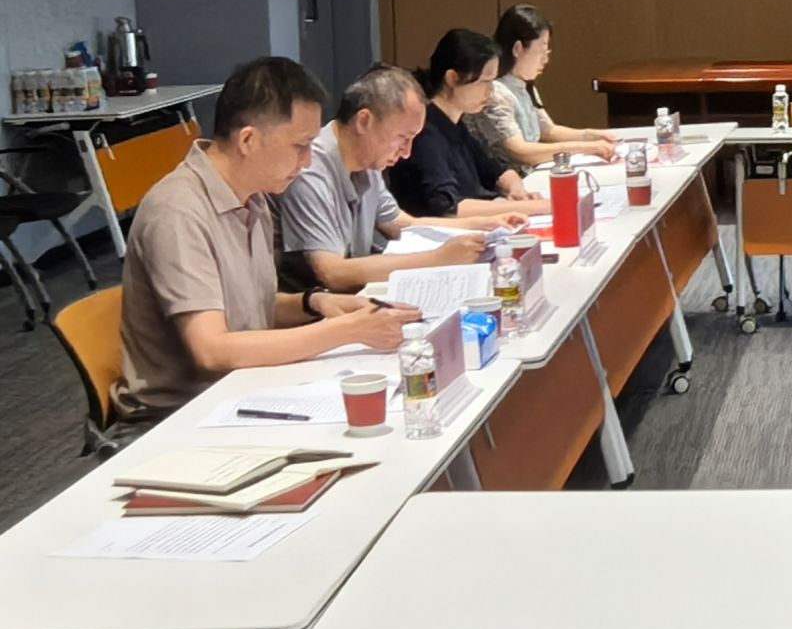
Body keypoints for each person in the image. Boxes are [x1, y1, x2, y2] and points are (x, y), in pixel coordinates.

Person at [113, 56, 421, 419]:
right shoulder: (178, 212)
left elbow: (250, 309)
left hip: (241, 388)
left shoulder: (253, 196)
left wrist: (315, 303)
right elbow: (212, 350)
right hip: (178, 414)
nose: (307, 162)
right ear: (248, 139)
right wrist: (348, 331)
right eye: (300, 146)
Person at [279, 64, 523, 291]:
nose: (406, 153)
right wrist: (437, 259)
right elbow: (332, 272)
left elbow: (401, 224)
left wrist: (482, 225)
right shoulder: (310, 170)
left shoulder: (367, 161)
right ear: (364, 121)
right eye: (403, 138)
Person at [386, 29, 549, 221]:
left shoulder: (455, 123)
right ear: (452, 78)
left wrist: (516, 188)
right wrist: (530, 207)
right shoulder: (425, 131)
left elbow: (495, 170)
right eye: (485, 82)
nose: (491, 91)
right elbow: (447, 208)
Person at [466, 5, 618, 170]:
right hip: (509, 180)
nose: (545, 60)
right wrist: (586, 147)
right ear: (517, 49)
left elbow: (547, 131)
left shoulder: (524, 84)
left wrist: (591, 135)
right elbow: (521, 151)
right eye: (542, 51)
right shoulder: (495, 92)